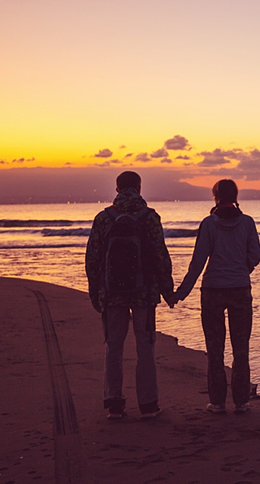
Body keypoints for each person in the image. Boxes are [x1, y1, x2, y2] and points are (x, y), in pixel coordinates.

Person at [85, 171, 175, 419]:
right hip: (144, 293)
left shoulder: (104, 219)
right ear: (139, 188)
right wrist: (167, 290)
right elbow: (160, 256)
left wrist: (95, 292)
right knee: (145, 346)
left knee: (113, 345)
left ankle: (114, 402)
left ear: (117, 190)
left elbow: (92, 258)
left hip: (112, 293)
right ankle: (148, 404)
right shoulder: (150, 217)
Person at [170, 179, 260, 414]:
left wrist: (180, 293)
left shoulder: (209, 224)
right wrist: (243, 269)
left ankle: (218, 402)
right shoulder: (248, 223)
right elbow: (256, 253)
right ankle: (241, 402)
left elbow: (198, 262)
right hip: (240, 289)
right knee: (241, 348)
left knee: (215, 348)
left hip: (212, 291)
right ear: (236, 195)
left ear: (216, 197)